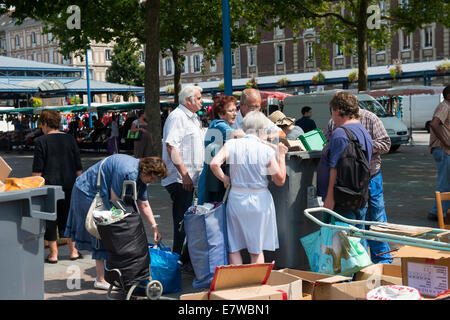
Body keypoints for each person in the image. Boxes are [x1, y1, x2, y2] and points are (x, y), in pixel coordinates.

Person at [64, 154, 166, 290]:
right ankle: (100, 279)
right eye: (152, 178)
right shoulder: (127, 171)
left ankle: (111, 275)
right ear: (146, 170)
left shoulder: (140, 175)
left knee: (111, 231)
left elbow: (144, 204)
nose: (152, 181)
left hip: (101, 192)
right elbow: (115, 200)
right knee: (103, 232)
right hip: (88, 192)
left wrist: (154, 227)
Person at [210, 111, 288, 264]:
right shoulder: (266, 150)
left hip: (236, 197)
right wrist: (282, 156)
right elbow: (279, 180)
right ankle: (255, 284)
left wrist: (225, 178)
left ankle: (238, 282)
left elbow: (214, 163)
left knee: (234, 246)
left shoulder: (231, 144)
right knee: (256, 249)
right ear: (262, 130)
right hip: (259, 200)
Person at [324, 105, 392, 264]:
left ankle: (382, 263)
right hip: (346, 183)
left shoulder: (370, 118)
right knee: (353, 226)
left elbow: (386, 143)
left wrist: (362, 149)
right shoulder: (334, 121)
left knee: (375, 222)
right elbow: (326, 142)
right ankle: (361, 264)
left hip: (371, 178)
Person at [317, 92, 373, 234]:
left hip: (341, 200)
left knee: (341, 248)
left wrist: (329, 198)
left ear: (337, 111)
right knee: (356, 244)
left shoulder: (340, 133)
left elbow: (334, 168)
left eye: (332, 112)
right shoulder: (363, 131)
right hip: (359, 196)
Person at [31, 110, 83, 264]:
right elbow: (78, 167)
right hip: (69, 184)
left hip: (49, 186)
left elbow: (37, 170)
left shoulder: (41, 141)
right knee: (69, 218)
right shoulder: (70, 139)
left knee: (50, 220)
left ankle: (53, 254)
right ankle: (74, 251)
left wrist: (34, 186)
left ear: (45, 124)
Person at [161, 85, 205, 257]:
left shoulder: (192, 118)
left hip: (189, 179)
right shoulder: (178, 117)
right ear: (189, 100)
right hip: (180, 180)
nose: (202, 101)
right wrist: (184, 174)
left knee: (188, 221)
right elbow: (172, 146)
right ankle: (177, 259)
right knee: (182, 221)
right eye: (199, 98)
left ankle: (184, 258)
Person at [197, 95, 245, 205]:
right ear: (221, 114)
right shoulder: (219, 124)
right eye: (231, 111)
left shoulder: (221, 125)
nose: (235, 113)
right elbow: (236, 135)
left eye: (235, 110)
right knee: (211, 215)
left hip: (214, 178)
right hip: (212, 180)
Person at [428, 85, 450, 221]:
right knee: (445, 183)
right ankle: (442, 215)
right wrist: (446, 142)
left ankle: (436, 211)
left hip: (443, 149)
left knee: (446, 182)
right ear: (449, 96)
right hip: (443, 149)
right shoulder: (445, 106)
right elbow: (434, 124)